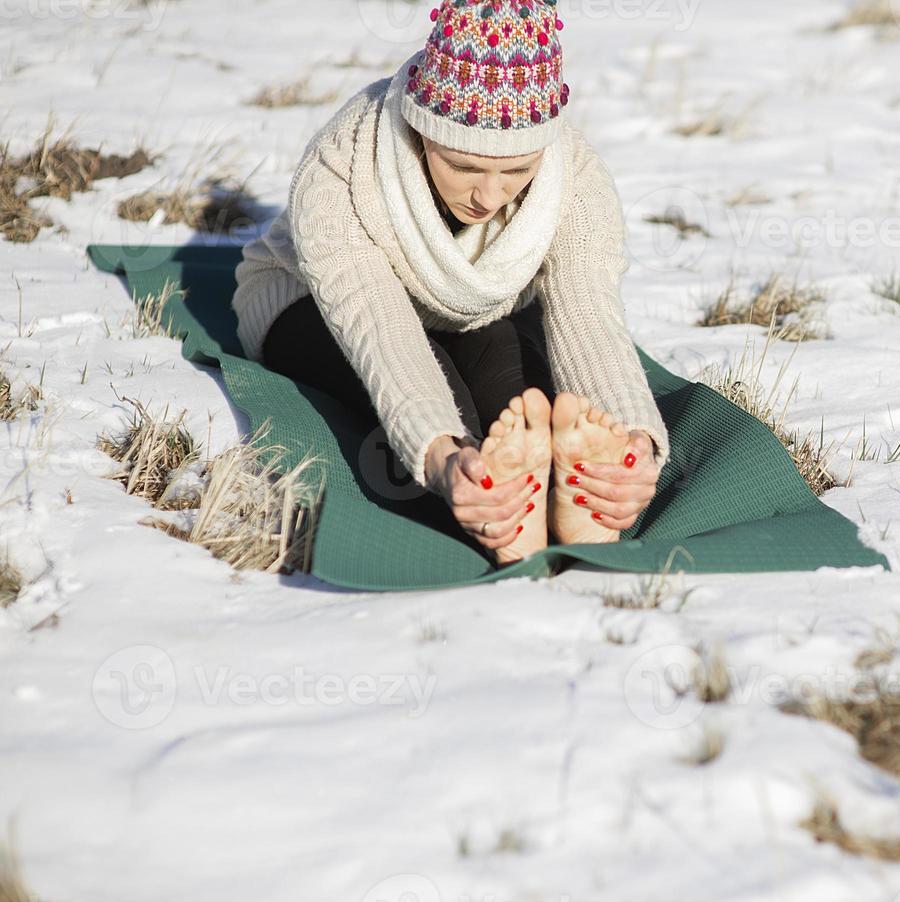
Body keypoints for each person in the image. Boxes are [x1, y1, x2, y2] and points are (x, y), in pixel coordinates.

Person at [231, 0, 670, 567]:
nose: (489, 197)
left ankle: (579, 506)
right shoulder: (341, 164)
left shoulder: (576, 175)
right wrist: (443, 457)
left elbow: (588, 308)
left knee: (524, 411)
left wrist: (634, 445)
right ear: (422, 131)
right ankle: (494, 515)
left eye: (516, 171)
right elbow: (381, 333)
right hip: (313, 304)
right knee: (459, 439)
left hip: (473, 310)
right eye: (464, 167)